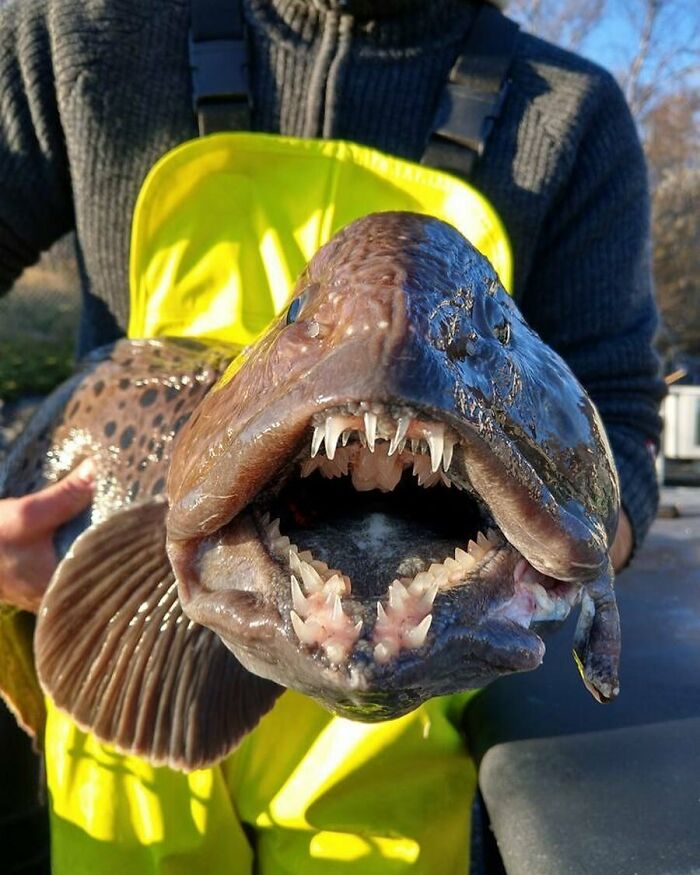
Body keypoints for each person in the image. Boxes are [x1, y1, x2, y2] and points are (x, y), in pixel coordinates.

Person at [0, 0, 662, 869]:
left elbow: (617, 413)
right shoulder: (81, 32)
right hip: (122, 734)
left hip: (400, 778)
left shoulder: (569, 115)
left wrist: (571, 551)